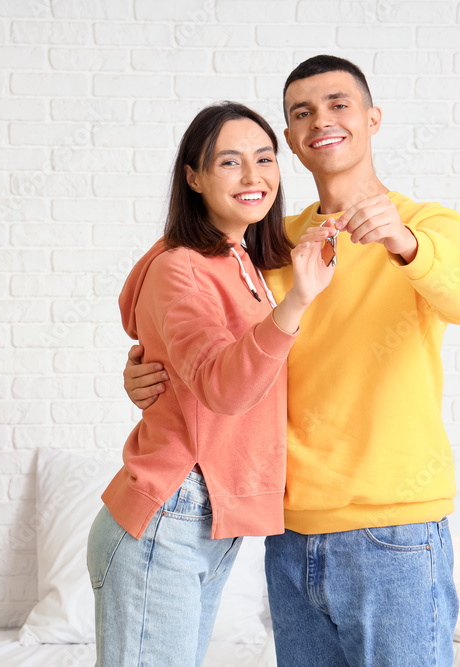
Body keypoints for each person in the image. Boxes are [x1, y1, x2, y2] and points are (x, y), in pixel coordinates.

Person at [123, 55, 460, 666]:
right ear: (291, 141)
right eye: (302, 113)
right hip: (289, 531)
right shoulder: (271, 242)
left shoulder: (425, 225)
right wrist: (145, 368)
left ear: (372, 119)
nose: (321, 120)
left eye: (338, 104)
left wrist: (404, 243)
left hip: (393, 530)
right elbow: (214, 339)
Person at [87, 101, 334, 666]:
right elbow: (223, 388)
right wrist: (297, 302)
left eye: (264, 159)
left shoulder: (242, 260)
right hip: (171, 513)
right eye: (229, 162)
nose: (253, 176)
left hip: (205, 517)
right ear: (194, 177)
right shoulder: (181, 266)